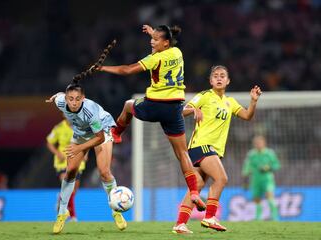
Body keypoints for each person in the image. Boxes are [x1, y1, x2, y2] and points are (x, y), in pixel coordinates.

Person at [98, 24, 204, 210]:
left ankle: (116, 133)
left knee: (128, 105)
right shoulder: (177, 52)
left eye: (155, 39)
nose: (151, 41)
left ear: (165, 43)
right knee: (182, 153)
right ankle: (194, 192)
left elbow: (128, 70)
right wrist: (154, 31)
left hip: (156, 105)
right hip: (175, 108)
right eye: (151, 38)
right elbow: (165, 39)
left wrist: (104, 68)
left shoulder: (155, 58)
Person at [172, 65, 262, 234]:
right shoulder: (205, 96)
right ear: (211, 81)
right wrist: (193, 109)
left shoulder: (230, 102)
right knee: (221, 178)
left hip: (212, 150)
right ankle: (210, 217)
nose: (219, 78)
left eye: (222, 76)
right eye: (215, 76)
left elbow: (247, 116)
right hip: (201, 145)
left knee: (197, 186)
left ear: (228, 81)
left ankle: (180, 224)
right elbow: (181, 111)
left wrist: (253, 101)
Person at [46, 80, 127, 234]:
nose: (74, 102)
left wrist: (79, 148)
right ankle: (62, 212)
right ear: (66, 99)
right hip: (81, 133)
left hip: (102, 130)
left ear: (83, 98)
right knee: (70, 171)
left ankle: (116, 211)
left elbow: (99, 138)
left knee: (104, 172)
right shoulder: (61, 102)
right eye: (71, 99)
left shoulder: (90, 112)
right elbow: (58, 96)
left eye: (78, 99)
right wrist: (54, 97)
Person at [46, 118, 86, 221]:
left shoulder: (80, 126)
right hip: (62, 162)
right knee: (69, 187)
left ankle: (61, 198)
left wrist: (85, 153)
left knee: (73, 191)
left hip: (78, 161)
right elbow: (49, 142)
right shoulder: (58, 128)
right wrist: (57, 153)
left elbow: (87, 140)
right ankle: (73, 216)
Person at [242, 135, 280, 221]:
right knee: (257, 199)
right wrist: (245, 178)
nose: (258, 144)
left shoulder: (269, 153)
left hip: (267, 179)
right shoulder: (251, 154)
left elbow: (276, 165)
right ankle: (258, 218)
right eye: (256, 143)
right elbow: (247, 167)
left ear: (264, 143)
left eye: (259, 143)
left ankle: (275, 217)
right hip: (255, 180)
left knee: (269, 196)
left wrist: (268, 167)